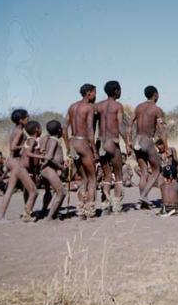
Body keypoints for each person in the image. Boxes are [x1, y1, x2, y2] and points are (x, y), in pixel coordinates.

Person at [128, 85, 168, 209]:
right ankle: (144, 195)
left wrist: (128, 142)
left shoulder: (138, 107)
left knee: (144, 171)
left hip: (137, 140)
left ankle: (143, 202)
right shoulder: (157, 109)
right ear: (155, 94)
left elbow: (129, 125)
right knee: (157, 169)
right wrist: (165, 147)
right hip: (147, 140)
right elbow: (162, 131)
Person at [94, 81, 131, 214]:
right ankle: (116, 205)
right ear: (116, 91)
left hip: (101, 142)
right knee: (119, 175)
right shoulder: (117, 106)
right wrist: (127, 142)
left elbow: (92, 126)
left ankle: (105, 204)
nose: (121, 92)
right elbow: (120, 125)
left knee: (106, 176)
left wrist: (94, 145)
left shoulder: (98, 106)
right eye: (120, 90)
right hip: (112, 142)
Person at [62, 83, 98, 219]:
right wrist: (94, 150)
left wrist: (68, 147)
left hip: (73, 143)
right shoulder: (88, 107)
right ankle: (90, 210)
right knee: (92, 178)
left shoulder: (72, 107)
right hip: (83, 143)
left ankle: (80, 209)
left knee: (83, 179)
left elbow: (64, 128)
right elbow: (90, 129)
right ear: (88, 93)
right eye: (94, 93)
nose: (95, 96)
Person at [0, 109, 41, 222]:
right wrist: (24, 146)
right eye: (27, 117)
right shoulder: (20, 132)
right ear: (21, 120)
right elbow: (13, 147)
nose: (28, 119)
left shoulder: (15, 130)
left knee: (10, 190)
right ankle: (27, 214)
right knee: (33, 190)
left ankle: (2, 217)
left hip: (10, 160)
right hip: (16, 162)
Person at [39, 120, 68, 220]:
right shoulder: (54, 141)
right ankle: (50, 217)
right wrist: (61, 167)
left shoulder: (47, 139)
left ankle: (44, 211)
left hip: (47, 169)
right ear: (59, 130)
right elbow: (50, 157)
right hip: (49, 170)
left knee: (49, 191)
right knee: (62, 192)